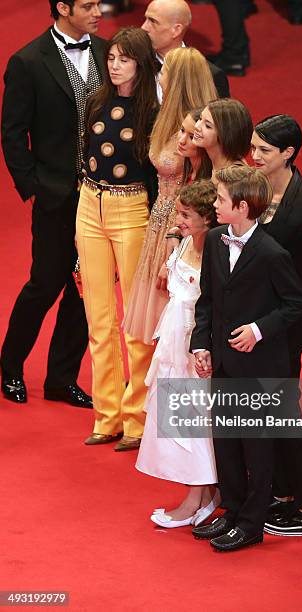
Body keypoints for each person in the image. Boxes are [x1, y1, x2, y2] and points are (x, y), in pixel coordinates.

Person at [190, 165, 302, 552]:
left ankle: (252, 524)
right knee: (226, 442)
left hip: (259, 367)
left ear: (242, 207)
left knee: (257, 447)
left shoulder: (273, 253)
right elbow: (206, 299)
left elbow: (297, 306)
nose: (214, 204)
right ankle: (233, 509)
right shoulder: (213, 240)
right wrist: (201, 344)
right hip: (223, 362)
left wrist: (259, 330)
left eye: (221, 200)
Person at [0, 0, 106, 408]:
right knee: (45, 284)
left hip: (103, 196)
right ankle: (10, 366)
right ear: (63, 8)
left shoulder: (106, 52)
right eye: (89, 5)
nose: (99, 11)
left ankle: (61, 378)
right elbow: (13, 134)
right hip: (56, 196)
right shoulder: (27, 61)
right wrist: (36, 187)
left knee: (87, 290)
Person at [122, 47, 218, 445]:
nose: (157, 76)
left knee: (178, 326)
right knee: (159, 328)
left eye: (164, 72)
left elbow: (199, 196)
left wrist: (176, 241)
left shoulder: (199, 133)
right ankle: (146, 416)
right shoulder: (174, 120)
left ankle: (178, 428)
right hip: (160, 225)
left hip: (175, 232)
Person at [76, 27, 159, 450]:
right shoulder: (95, 100)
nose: (114, 66)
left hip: (132, 211)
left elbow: (158, 177)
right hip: (90, 204)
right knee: (98, 318)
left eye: (124, 59)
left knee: (135, 320)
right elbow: (83, 156)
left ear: (140, 65)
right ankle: (105, 416)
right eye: (111, 58)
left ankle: (137, 418)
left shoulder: (152, 111)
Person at [250, 114, 302, 537]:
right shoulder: (252, 186)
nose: (254, 155)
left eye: (264, 149)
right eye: (253, 147)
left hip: (284, 321)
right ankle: (280, 494)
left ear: (288, 153)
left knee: (280, 412)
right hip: (248, 317)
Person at [137, 180, 220, 528]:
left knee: (194, 422)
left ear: (207, 219)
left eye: (186, 215)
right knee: (178, 417)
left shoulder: (216, 252)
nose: (179, 219)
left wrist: (203, 347)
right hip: (173, 340)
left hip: (194, 346)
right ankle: (201, 493)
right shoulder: (185, 240)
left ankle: (196, 497)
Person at [141, 0, 229, 100]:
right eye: (145, 19)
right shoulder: (133, 62)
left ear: (176, 30)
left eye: (153, 21)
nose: (143, 27)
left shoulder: (210, 76)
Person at [193, 98, 253, 179]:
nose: (196, 126)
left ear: (226, 135)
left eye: (207, 126)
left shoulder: (236, 177)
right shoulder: (205, 161)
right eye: (200, 119)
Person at [178, 109, 213, 184]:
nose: (182, 141)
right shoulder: (188, 170)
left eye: (191, 137)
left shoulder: (210, 181)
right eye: (182, 130)